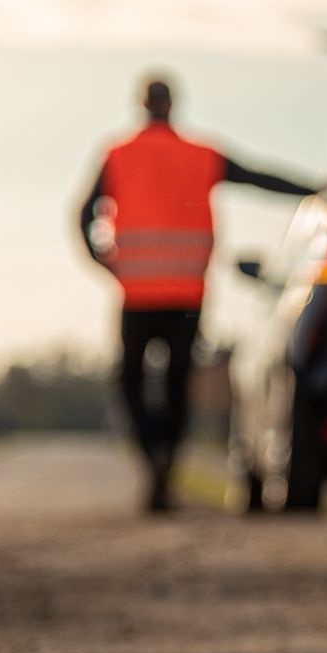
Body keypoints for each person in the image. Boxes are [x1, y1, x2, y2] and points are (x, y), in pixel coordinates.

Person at [78, 74, 314, 512]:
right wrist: (317, 190)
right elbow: (259, 177)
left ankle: (153, 455)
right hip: (186, 296)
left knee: (130, 382)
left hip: (137, 295)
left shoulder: (118, 154)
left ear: (141, 104)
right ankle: (165, 459)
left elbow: (81, 215)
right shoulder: (201, 154)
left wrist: (107, 264)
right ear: (172, 105)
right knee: (176, 383)